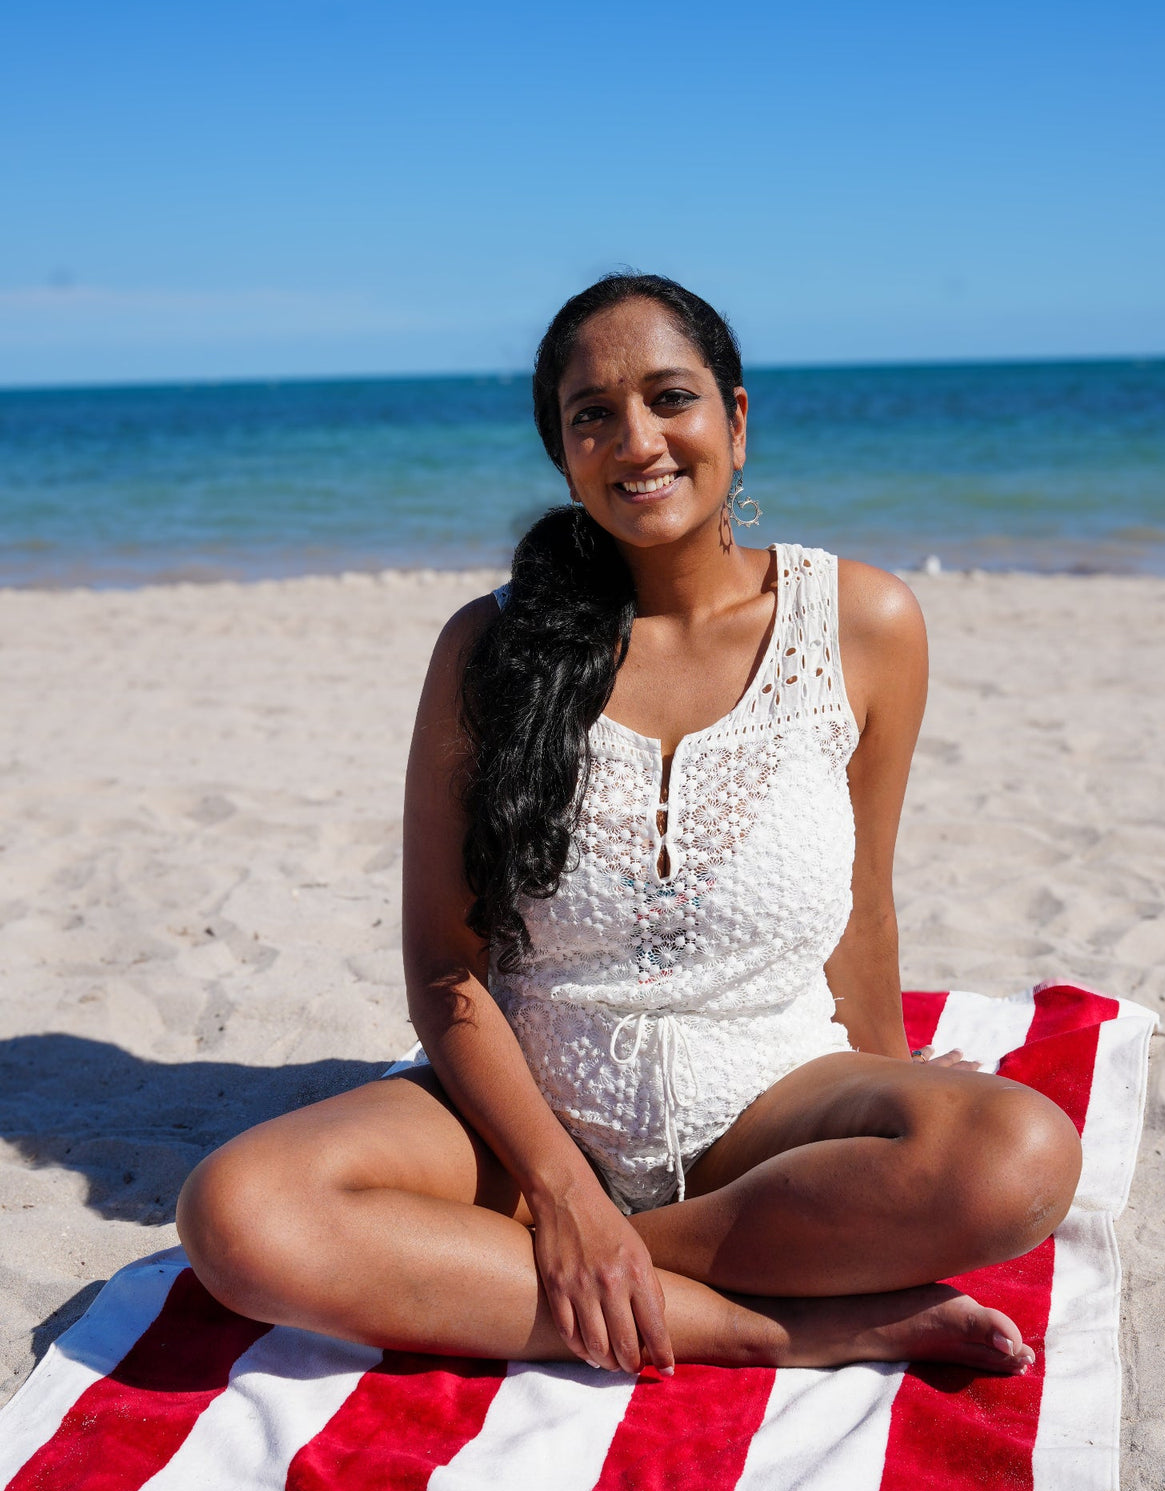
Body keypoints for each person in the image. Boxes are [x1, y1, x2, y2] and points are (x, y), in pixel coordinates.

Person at [177, 273, 1082, 1380]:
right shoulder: (489, 650)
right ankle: (764, 1329)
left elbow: (865, 904)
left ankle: (521, 1269)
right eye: (592, 415)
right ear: (563, 455)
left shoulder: (864, 623)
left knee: (1019, 1156)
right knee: (239, 1213)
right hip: (524, 1113)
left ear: (735, 423)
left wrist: (890, 1105)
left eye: (669, 398)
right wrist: (559, 1189)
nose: (637, 439)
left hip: (771, 1099)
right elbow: (443, 961)